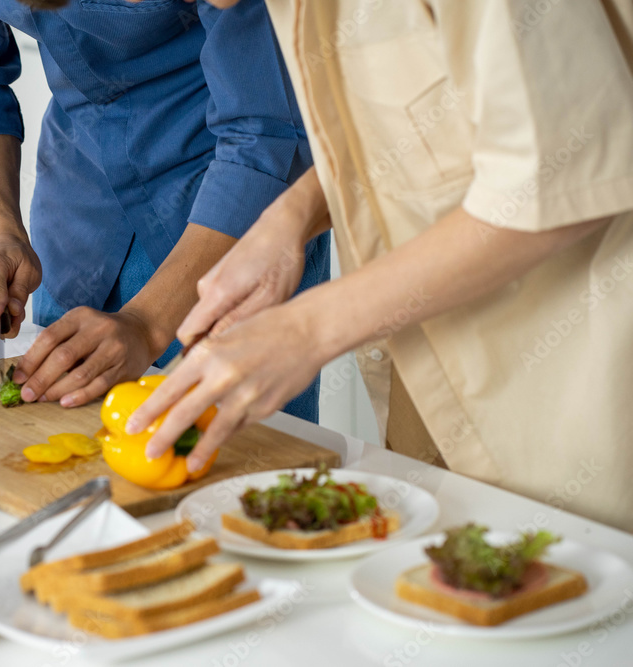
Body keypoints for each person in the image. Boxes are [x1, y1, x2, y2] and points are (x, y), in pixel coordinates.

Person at [130, 0, 633, 533]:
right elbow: (413, 128)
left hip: (573, 397)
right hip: (431, 378)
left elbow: (554, 176)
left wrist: (307, 329)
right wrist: (292, 216)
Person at [0, 0, 329, 418]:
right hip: (77, 216)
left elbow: (267, 134)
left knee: (243, 468)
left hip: (236, 214)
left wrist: (147, 324)